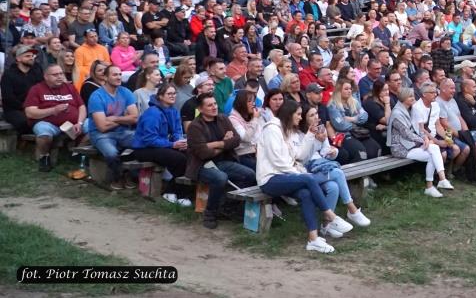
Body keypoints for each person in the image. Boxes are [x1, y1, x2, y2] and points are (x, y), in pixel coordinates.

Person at [257, 99, 361, 253]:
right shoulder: (272, 129)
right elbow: (277, 161)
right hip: (270, 179)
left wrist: (310, 135)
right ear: (289, 114)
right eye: (298, 114)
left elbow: (300, 156)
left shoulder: (287, 131)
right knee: (308, 178)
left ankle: (313, 239)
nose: (301, 117)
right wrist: (299, 174)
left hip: (286, 176)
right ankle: (330, 216)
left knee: (306, 193)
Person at [186, 92, 257, 229]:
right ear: (200, 109)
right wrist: (224, 143)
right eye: (209, 105)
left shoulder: (223, 119)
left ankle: (228, 207)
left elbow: (236, 140)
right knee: (220, 178)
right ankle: (210, 213)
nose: (214, 107)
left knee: (249, 174)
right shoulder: (195, 126)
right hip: (202, 165)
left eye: (215, 104)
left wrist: (215, 144)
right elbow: (203, 153)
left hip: (223, 161)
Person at [131, 82, 192, 207]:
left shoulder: (174, 111)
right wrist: (172, 145)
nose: (173, 96)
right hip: (144, 149)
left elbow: (177, 131)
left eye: (174, 93)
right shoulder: (152, 113)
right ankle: (172, 192)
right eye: (169, 94)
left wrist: (180, 142)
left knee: (190, 154)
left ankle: (178, 191)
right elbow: (149, 139)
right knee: (179, 159)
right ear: (160, 96)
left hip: (162, 145)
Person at [386, 87, 455, 197]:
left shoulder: (411, 109)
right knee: (433, 153)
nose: (413, 98)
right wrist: (424, 140)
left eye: (413, 96)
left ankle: (440, 180)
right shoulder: (397, 113)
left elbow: (419, 128)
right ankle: (432, 185)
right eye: (410, 96)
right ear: (403, 98)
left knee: (434, 149)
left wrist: (426, 138)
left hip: (412, 144)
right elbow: (406, 133)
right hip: (401, 148)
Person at [85, 65, 138, 189]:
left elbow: (135, 118)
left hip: (123, 131)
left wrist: (114, 118)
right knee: (111, 153)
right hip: (101, 134)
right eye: (114, 75)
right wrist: (125, 119)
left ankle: (130, 174)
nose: (119, 77)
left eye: (120, 74)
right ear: (105, 77)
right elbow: (102, 126)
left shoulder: (126, 92)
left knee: (143, 141)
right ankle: (118, 177)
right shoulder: (96, 96)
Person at [24, 64, 86, 172]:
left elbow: (82, 106)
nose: (59, 77)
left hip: (74, 124)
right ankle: (44, 157)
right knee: (43, 132)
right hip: (49, 124)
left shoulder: (70, 87)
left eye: (61, 73)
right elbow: (30, 113)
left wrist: (79, 123)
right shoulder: (37, 89)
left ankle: (77, 153)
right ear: (46, 76)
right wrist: (53, 110)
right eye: (55, 74)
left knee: (93, 125)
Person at [1, 45, 45, 134]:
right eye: (27, 56)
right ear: (18, 59)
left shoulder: (37, 71)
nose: (31, 58)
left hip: (36, 106)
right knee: (24, 122)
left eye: (32, 56)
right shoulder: (8, 74)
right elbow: (8, 98)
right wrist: (26, 107)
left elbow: (42, 89)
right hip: (15, 109)